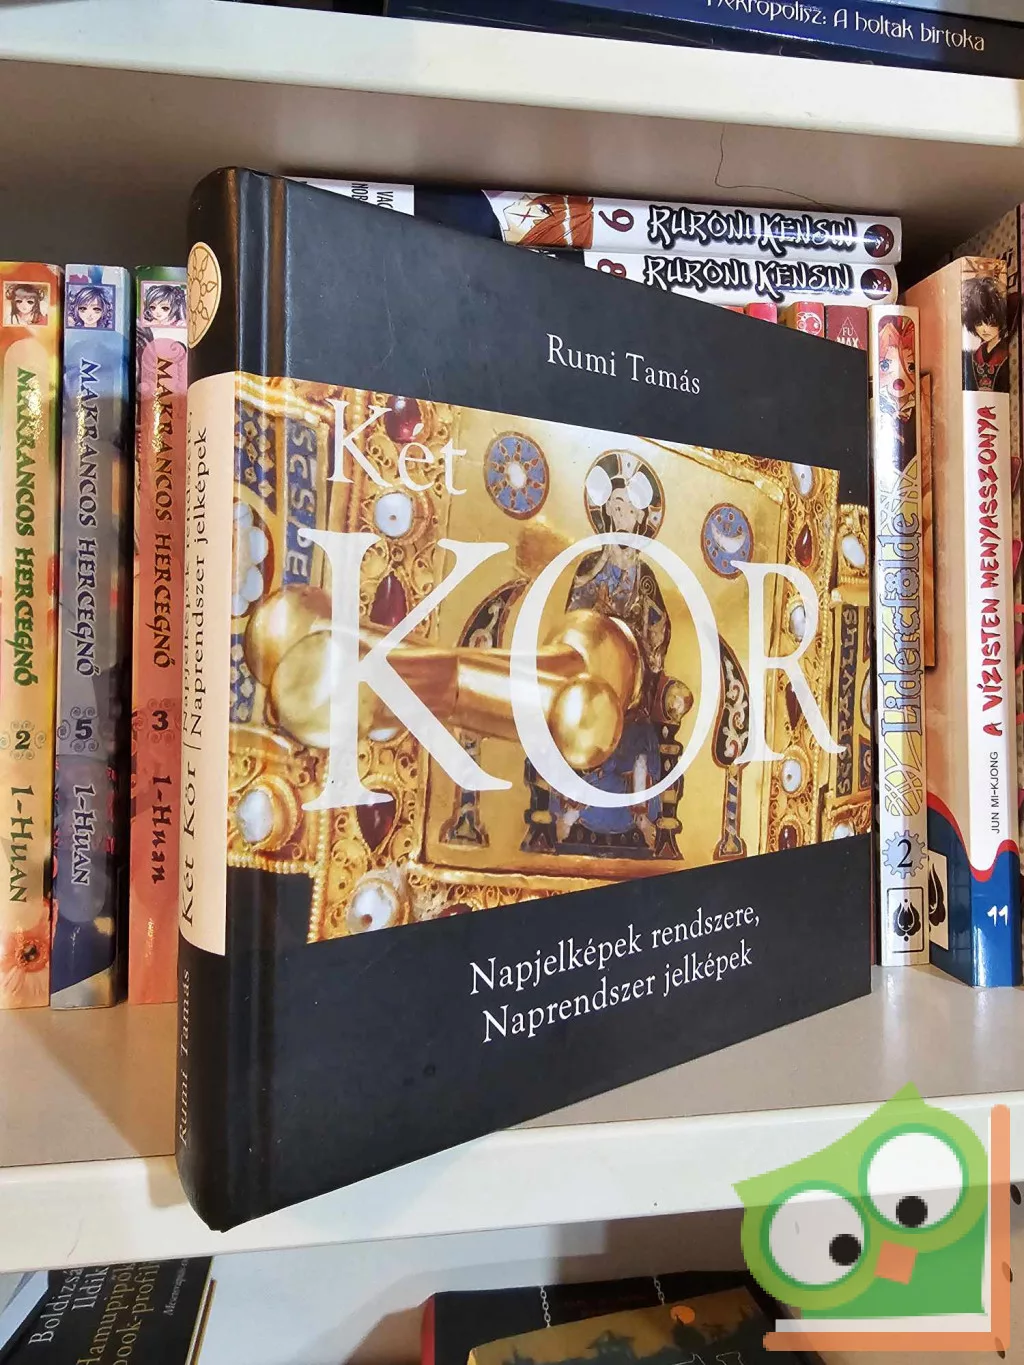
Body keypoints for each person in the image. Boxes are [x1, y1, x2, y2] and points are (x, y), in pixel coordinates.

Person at [962, 272, 1009, 392]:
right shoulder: (975, 354)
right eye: (978, 323)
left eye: (989, 321)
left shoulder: (1006, 351)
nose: (984, 329)